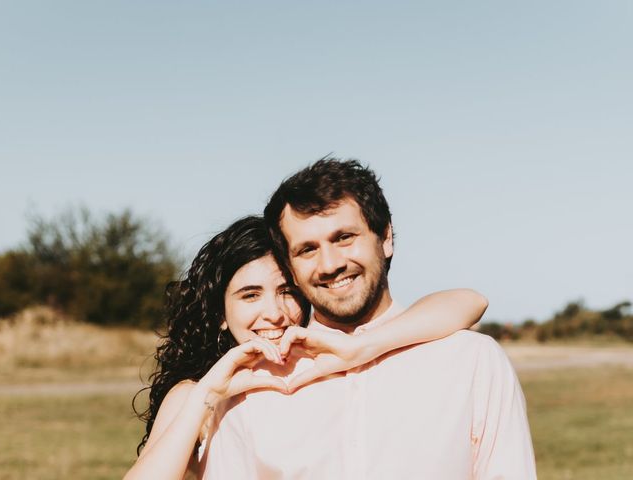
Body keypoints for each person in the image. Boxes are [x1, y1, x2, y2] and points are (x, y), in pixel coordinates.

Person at [203, 159, 537, 479]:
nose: (330, 263)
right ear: (290, 266)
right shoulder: (251, 388)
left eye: (344, 237)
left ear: (386, 237)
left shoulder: (472, 361)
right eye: (307, 249)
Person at [124, 215, 488, 480]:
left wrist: (361, 347)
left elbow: (468, 301)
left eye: (288, 292)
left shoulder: (323, 365)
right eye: (250, 295)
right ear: (221, 314)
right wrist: (210, 391)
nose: (274, 313)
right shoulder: (193, 394)